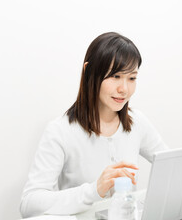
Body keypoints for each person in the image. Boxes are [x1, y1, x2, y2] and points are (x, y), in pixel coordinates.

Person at [20, 32, 168, 218]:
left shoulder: (137, 121)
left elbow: (172, 167)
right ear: (88, 71)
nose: (124, 89)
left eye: (132, 78)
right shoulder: (60, 131)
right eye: (115, 76)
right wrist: (94, 190)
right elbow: (29, 203)